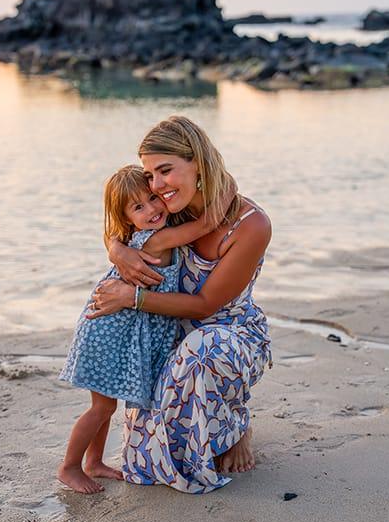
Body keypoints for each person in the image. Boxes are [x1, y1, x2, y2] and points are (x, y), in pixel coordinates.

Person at [89, 116, 273, 494]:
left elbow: (205, 305)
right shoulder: (170, 209)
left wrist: (133, 297)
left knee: (201, 350)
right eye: (150, 174)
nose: (157, 186)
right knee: (143, 460)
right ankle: (215, 429)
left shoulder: (252, 225)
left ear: (198, 163)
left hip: (229, 336)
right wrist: (116, 248)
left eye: (165, 170)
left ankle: (236, 424)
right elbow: (119, 217)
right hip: (169, 335)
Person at [58, 164, 220, 494]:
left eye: (152, 198)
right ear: (127, 218)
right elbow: (206, 223)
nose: (151, 209)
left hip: (120, 328)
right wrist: (225, 188)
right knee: (102, 406)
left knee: (106, 403)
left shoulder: (138, 237)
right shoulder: (157, 240)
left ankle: (94, 462)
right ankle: (70, 466)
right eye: (138, 207)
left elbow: (116, 233)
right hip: (108, 331)